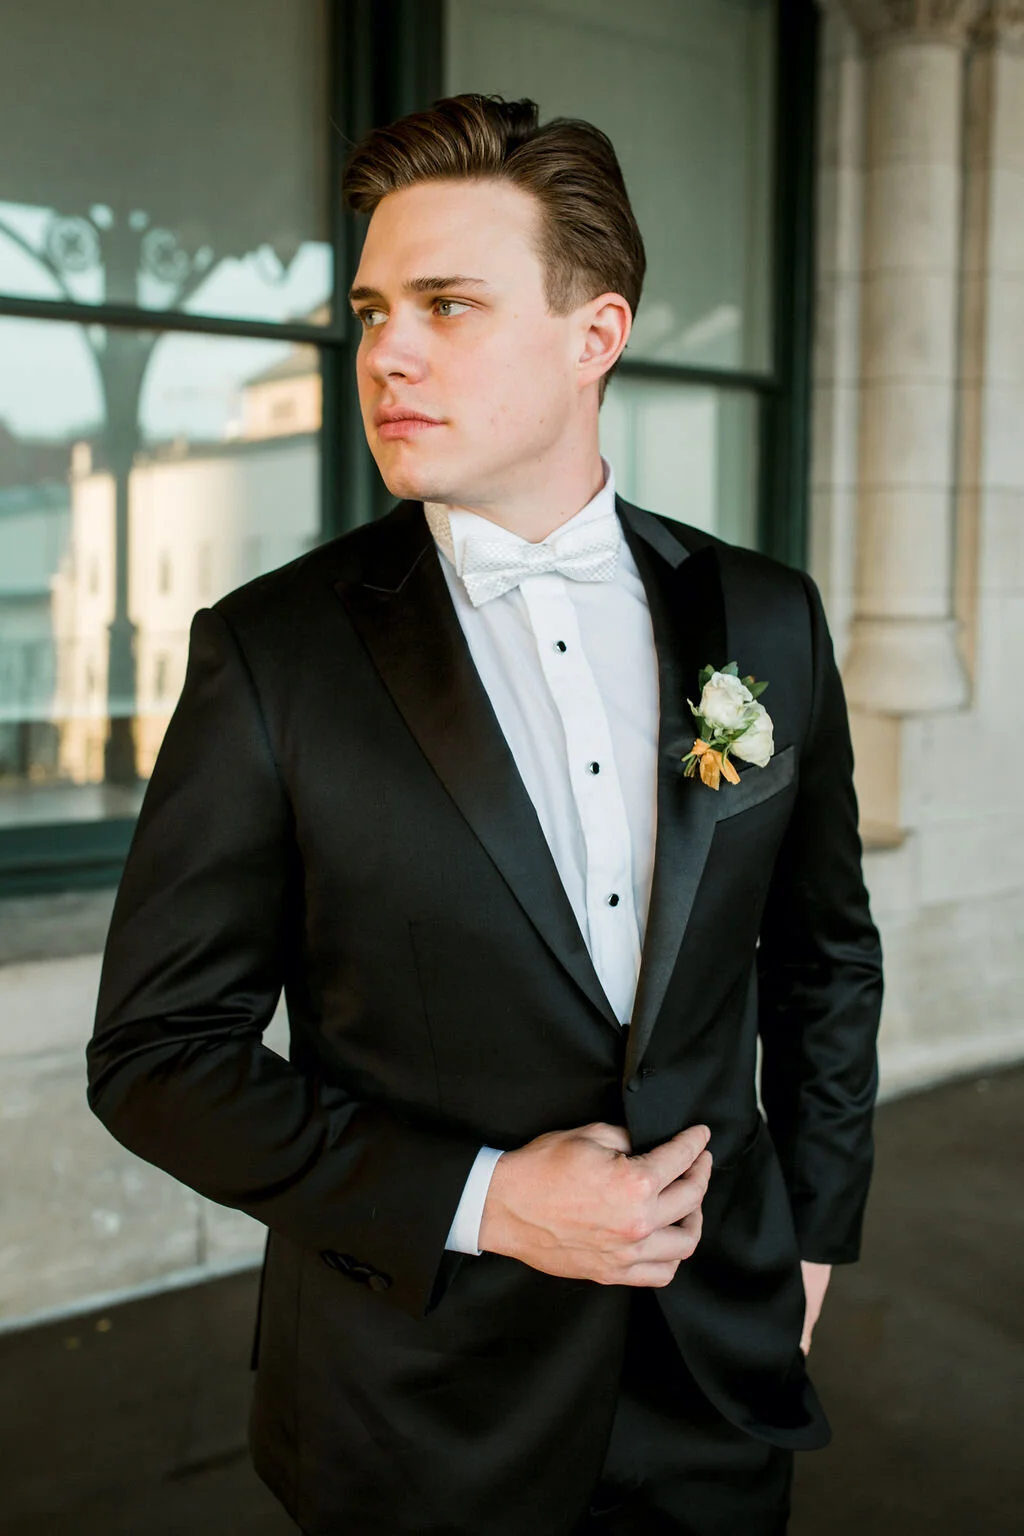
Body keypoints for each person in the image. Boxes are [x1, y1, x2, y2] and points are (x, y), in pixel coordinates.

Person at [86, 94, 883, 1536]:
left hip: (719, 1372)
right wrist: (487, 1198)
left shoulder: (766, 614)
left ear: (597, 337)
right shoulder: (273, 651)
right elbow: (157, 1057)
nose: (384, 350)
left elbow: (826, 958)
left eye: (448, 304)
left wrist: (814, 1239)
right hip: (416, 1407)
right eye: (376, 307)